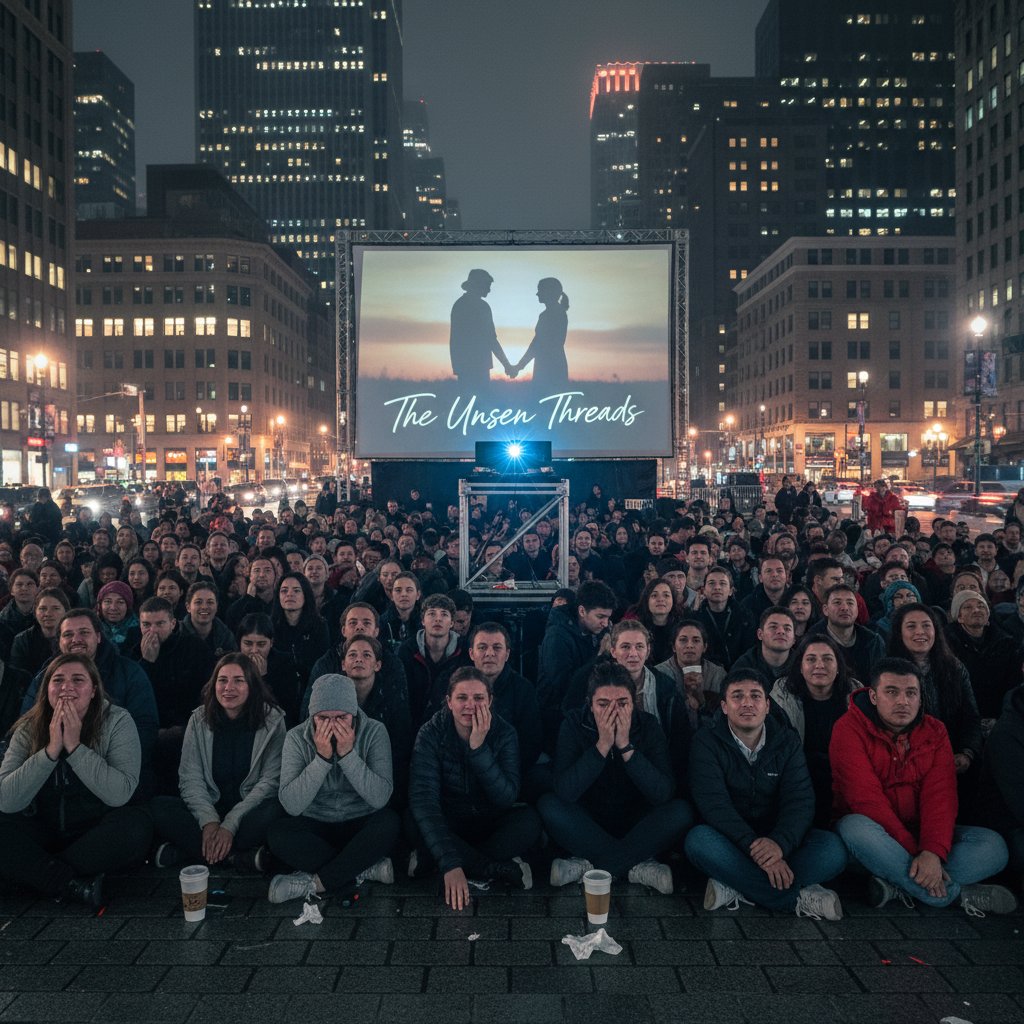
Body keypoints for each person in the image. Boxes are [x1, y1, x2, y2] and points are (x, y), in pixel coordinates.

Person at [831, 658, 1015, 915]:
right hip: (876, 839)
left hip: (920, 833)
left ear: (920, 697)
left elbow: (940, 796)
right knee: (854, 827)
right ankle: (955, 895)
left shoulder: (935, 730)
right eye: (892, 692)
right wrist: (920, 855)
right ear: (873, 696)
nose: (903, 702)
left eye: (911, 693)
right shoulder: (848, 728)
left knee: (994, 847)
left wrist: (933, 851)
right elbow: (866, 800)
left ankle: (897, 885)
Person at [685, 669, 848, 920]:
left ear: (767, 705)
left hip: (777, 840)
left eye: (755, 696)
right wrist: (755, 849)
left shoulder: (786, 741)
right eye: (737, 696)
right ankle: (793, 897)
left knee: (832, 849)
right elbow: (714, 805)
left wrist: (779, 844)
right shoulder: (706, 741)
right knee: (698, 840)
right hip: (732, 841)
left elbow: (800, 800)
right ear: (725, 706)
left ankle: (737, 885)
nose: (747, 703)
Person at [0, 654, 152, 908]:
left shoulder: (117, 720)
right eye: (57, 680)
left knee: (136, 826)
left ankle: (40, 873)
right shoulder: (28, 726)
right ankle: (71, 884)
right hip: (42, 828)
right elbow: (6, 800)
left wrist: (74, 747)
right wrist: (49, 752)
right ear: (46, 688)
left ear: (93, 690)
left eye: (78, 680)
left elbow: (120, 793)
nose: (66, 687)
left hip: (93, 832)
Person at [539, 661, 693, 895]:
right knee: (548, 805)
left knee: (681, 811)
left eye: (622, 704)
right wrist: (601, 746)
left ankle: (589, 866)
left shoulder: (649, 726)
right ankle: (635, 868)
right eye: (603, 704)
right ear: (590, 705)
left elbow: (663, 793)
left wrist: (625, 747)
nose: (614, 712)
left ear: (634, 704)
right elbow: (565, 791)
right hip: (588, 821)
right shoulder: (573, 724)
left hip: (636, 822)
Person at [407, 666, 540, 908]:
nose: (470, 705)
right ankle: (490, 868)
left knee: (529, 822)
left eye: (478, 698)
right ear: (449, 702)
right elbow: (424, 799)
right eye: (462, 698)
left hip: (489, 821)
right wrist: (451, 865)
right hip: (451, 821)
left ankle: (435, 858)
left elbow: (506, 797)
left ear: (490, 700)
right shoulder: (430, 733)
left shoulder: (504, 733)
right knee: (413, 819)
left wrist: (478, 749)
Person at [265, 674, 401, 903]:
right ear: (312, 716)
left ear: (354, 713)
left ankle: (314, 883)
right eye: (323, 718)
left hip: (360, 819)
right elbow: (292, 805)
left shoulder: (375, 731)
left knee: (389, 823)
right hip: (316, 822)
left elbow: (380, 797)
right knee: (277, 833)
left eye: (341, 717)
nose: (332, 725)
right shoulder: (296, 738)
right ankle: (358, 868)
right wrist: (321, 759)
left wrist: (348, 756)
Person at [151, 653, 285, 870]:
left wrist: (230, 824)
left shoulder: (272, 721)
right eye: (222, 680)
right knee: (159, 807)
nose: (228, 687)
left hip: (248, 814)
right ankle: (237, 858)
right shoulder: (199, 719)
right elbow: (190, 778)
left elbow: (269, 783)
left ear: (251, 685)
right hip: (209, 808)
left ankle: (192, 853)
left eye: (238, 681)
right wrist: (209, 822)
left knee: (275, 809)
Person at [887, 603, 982, 776]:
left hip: (952, 757)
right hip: (907, 765)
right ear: (899, 633)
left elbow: (971, 716)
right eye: (911, 626)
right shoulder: (887, 673)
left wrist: (967, 752)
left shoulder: (954, 668)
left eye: (926, 625)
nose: (920, 632)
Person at [770, 634, 854, 826]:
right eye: (811, 659)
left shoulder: (855, 696)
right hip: (799, 781)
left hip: (845, 780)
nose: (819, 665)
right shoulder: (782, 696)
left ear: (839, 666)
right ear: (800, 667)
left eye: (827, 659)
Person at [537, 580, 616, 751]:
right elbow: (565, 686)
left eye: (608, 617)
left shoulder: (596, 631)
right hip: (558, 718)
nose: (604, 623)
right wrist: (600, 656)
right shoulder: (557, 637)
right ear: (581, 611)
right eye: (600, 617)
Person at [943, 590, 1020, 725]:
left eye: (981, 606)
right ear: (959, 617)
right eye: (968, 607)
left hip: (1000, 717)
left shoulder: (1005, 643)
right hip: (962, 719)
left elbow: (1012, 685)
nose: (976, 610)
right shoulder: (946, 645)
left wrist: (1001, 718)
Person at [448, 268, 515, 387]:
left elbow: (455, 340)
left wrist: (458, 366)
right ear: (479, 285)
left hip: (466, 366)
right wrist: (507, 365)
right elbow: (491, 339)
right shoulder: (481, 307)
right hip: (477, 366)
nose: (489, 289)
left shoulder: (459, 305)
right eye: (487, 285)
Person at [806, 584, 885, 684]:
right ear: (826, 609)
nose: (844, 608)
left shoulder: (873, 642)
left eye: (850, 603)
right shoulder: (812, 640)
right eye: (837, 602)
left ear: (857, 609)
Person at [655, 619, 726, 729]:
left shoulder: (717, 674)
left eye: (696, 640)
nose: (689, 645)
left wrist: (702, 700)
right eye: (683, 640)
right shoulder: (659, 673)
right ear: (673, 647)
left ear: (705, 647)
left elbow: (723, 716)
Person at [691, 566, 756, 670]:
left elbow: (750, 651)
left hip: (740, 670)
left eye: (722, 583)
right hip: (705, 671)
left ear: (731, 591)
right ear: (704, 590)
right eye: (712, 583)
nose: (717, 587)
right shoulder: (694, 618)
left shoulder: (745, 616)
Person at [510, 277, 570, 389]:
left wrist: (519, 366)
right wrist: (520, 365)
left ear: (549, 292)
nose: (537, 294)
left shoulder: (552, 314)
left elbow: (538, 343)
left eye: (540, 290)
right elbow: (537, 343)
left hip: (549, 366)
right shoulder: (553, 313)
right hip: (551, 363)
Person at [8, 586, 68, 681]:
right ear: (35, 612)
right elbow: (17, 677)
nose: (48, 613)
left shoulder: (72, 639)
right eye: (42, 609)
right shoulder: (22, 640)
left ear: (66, 611)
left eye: (55, 608)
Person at [732, 607, 798, 682]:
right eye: (773, 627)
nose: (781, 631)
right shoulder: (743, 666)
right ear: (760, 634)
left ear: (794, 639)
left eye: (787, 629)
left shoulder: (801, 665)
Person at [181, 580, 237, 658]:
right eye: (198, 602)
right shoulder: (177, 635)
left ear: (217, 606)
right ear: (188, 607)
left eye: (210, 602)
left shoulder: (226, 636)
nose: (204, 607)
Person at [96, 580, 140, 654]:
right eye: (108, 601)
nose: (113, 608)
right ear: (100, 605)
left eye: (120, 602)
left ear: (128, 606)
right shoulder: (92, 628)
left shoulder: (139, 631)